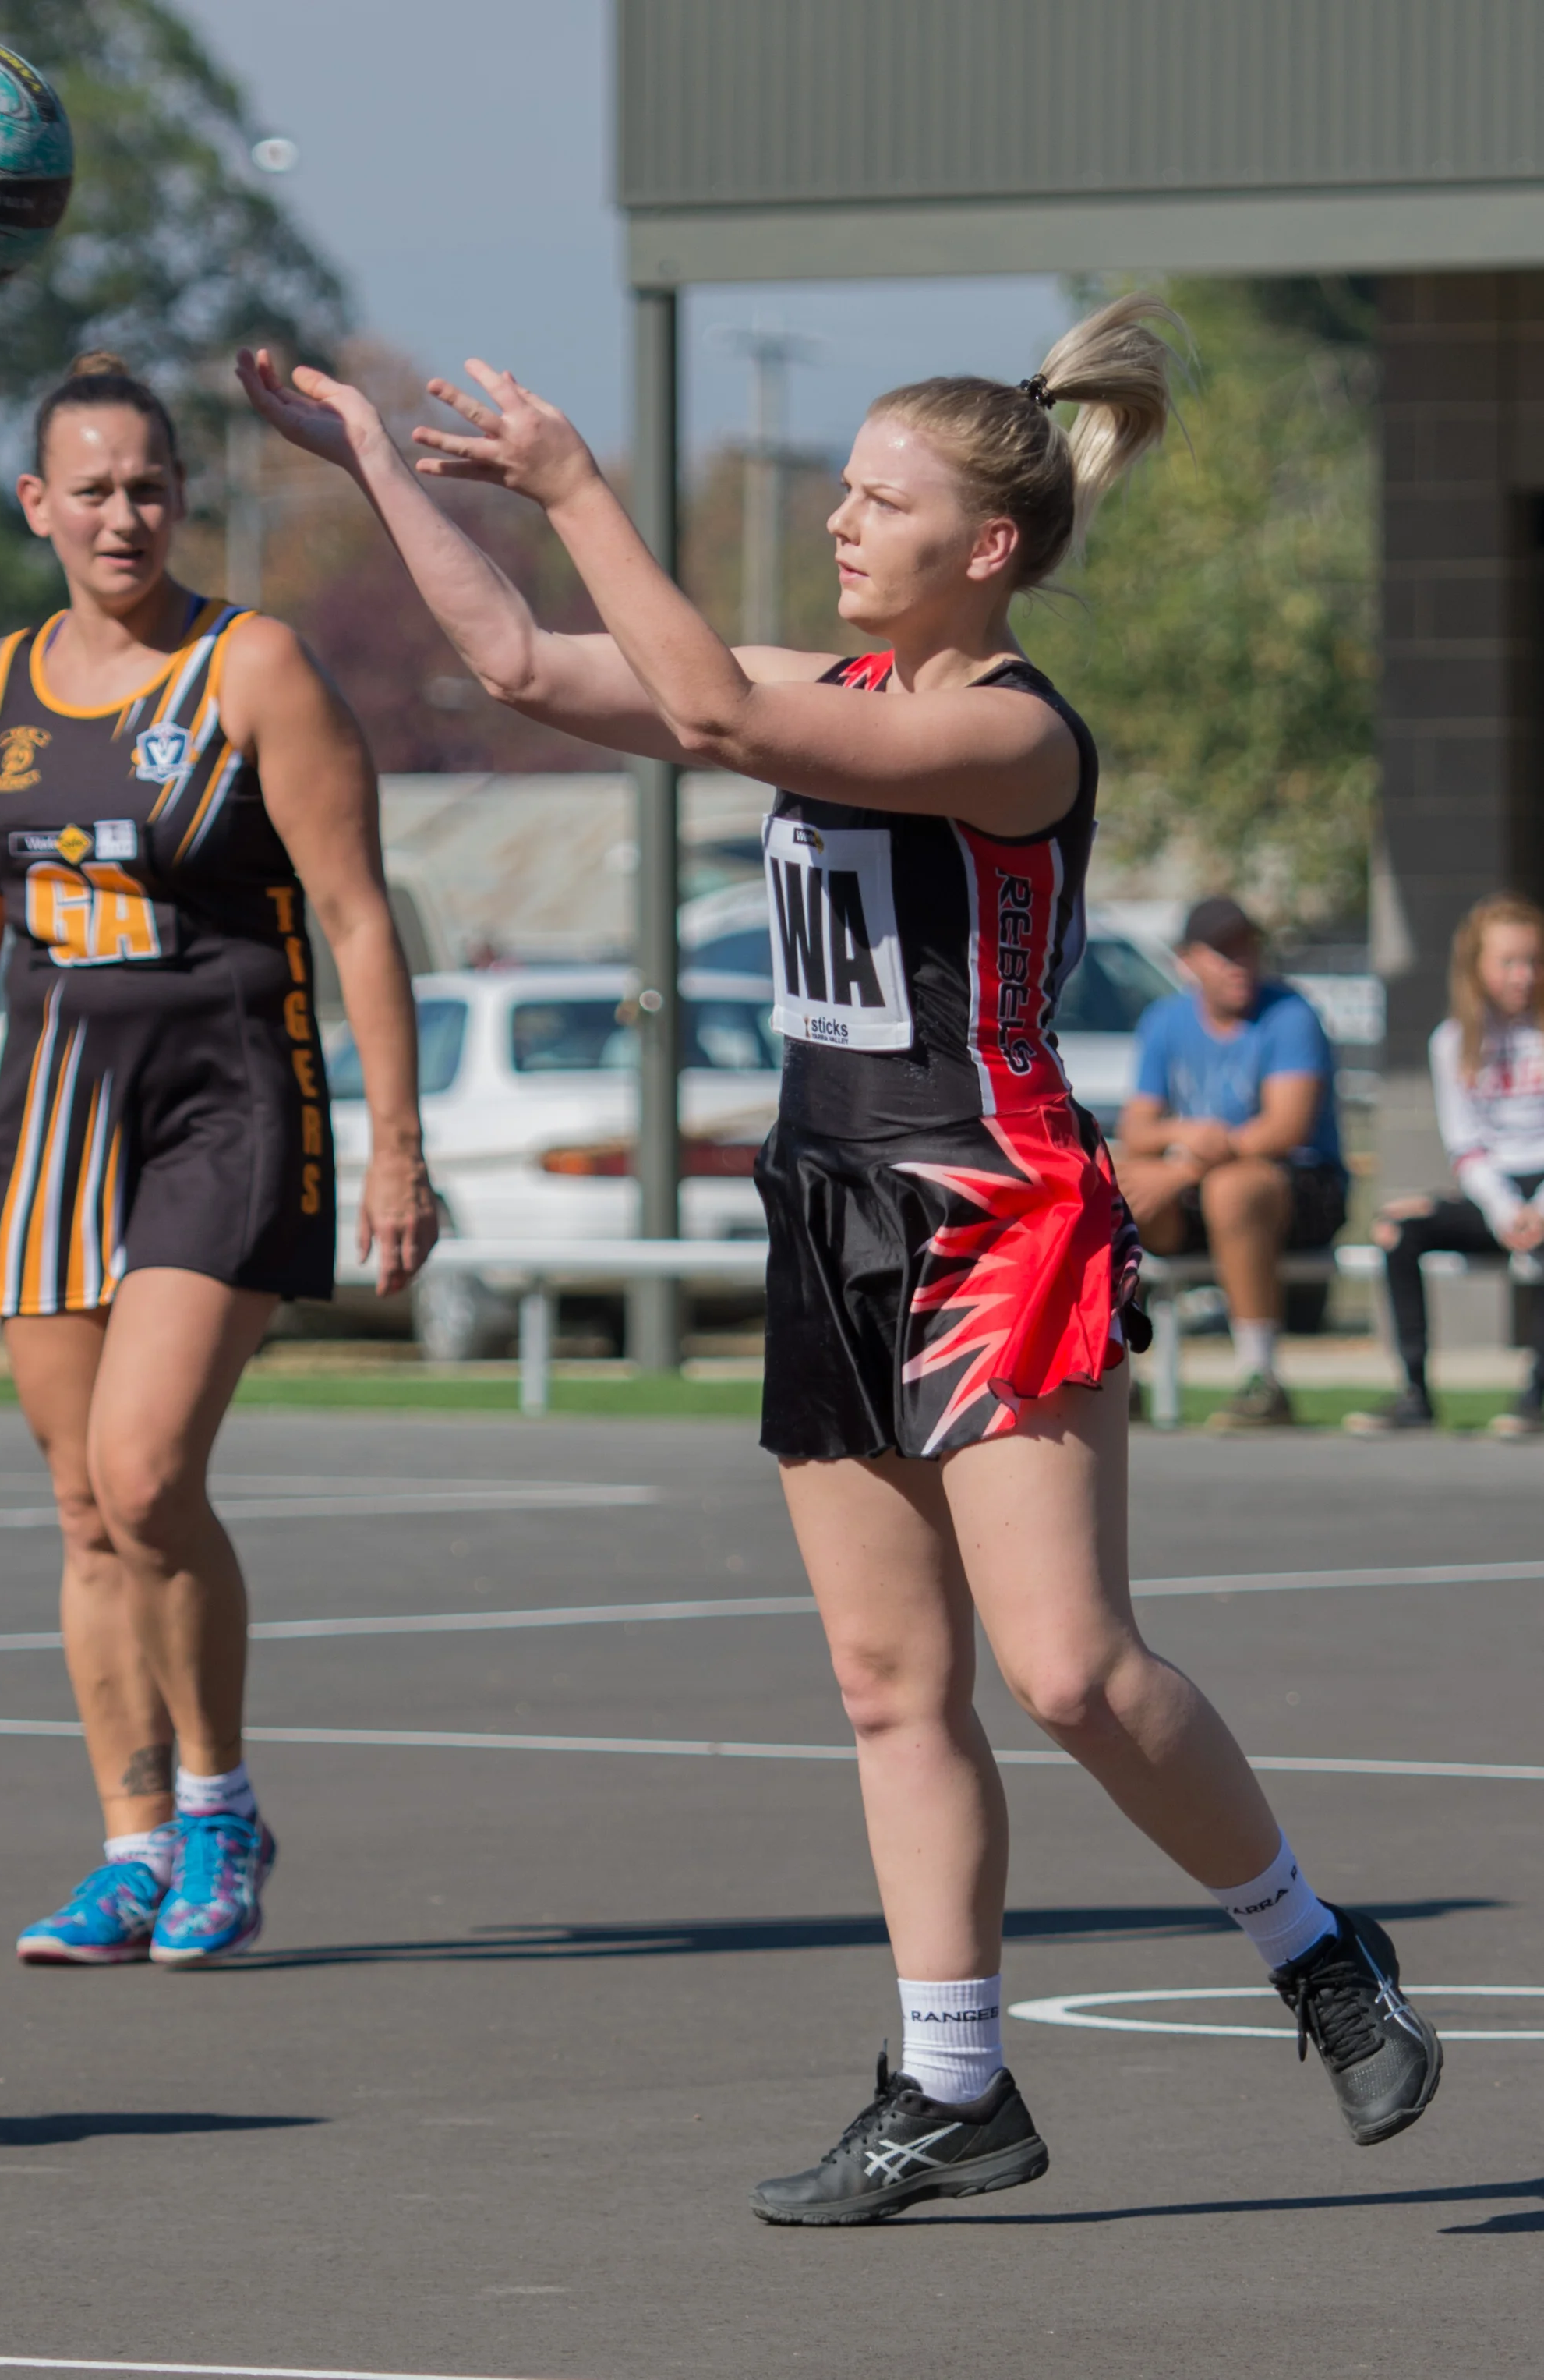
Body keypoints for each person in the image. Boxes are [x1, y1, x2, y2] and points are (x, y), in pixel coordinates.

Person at [234, 295, 1441, 2223]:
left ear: (985, 547)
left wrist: (578, 486)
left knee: (1062, 1668)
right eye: (842, 492)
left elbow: (707, 712)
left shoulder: (1005, 729)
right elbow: (528, 667)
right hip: (826, 1210)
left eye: (879, 501)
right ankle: (949, 2080)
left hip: (988, 1218)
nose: (838, 523)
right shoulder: (841, 688)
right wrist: (381, 463)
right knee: (889, 1683)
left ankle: (1314, 1952)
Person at [0, 352, 437, 1966]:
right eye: (92, 487)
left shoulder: (253, 668)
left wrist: (399, 1142)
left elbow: (360, 913)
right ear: (36, 504)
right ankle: (126, 1847)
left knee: (146, 1471)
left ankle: (219, 1803)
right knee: (79, 1504)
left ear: (184, 498)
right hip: (54, 1102)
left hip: (227, 1094)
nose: (125, 513)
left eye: (151, 485)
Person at [1113, 896, 1345, 1430]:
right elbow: (1139, 1128)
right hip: (1203, 1180)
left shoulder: (1290, 1014)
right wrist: (1183, 1135)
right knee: (1109, 1183)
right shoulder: (1164, 1021)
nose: (1240, 963)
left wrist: (1180, 1169)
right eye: (1223, 952)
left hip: (1300, 1187)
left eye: (1248, 949)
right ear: (1187, 959)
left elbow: (1284, 1129)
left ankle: (1261, 1378)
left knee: (1233, 1189)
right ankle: (1117, 1369)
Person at [1347, 893, 1544, 1438]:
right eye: (1509, 962)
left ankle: (1537, 1395)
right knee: (1395, 1228)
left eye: (1533, 961)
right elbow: (1467, 1147)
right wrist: (1507, 1211)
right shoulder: (1452, 1042)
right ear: (1477, 967)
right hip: (1495, 1192)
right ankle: (1415, 1391)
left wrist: (1537, 1210)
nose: (1523, 975)